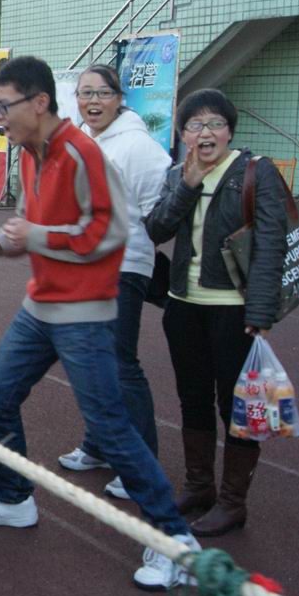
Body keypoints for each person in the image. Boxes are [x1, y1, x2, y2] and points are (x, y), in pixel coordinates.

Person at [0, 56, 198, 591]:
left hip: (85, 312)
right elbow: (34, 228)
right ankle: (14, 498)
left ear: (39, 102)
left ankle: (176, 541)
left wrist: (34, 238)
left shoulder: (82, 152)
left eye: (3, 106)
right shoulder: (28, 155)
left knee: (110, 426)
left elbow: (111, 234)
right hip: (40, 306)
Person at [144, 89, 289, 537]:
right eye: (194, 125)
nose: (205, 133)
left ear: (229, 130)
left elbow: (271, 245)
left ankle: (232, 503)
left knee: (236, 406)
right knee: (192, 398)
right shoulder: (178, 174)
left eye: (215, 124)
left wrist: (261, 312)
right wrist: (187, 186)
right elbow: (156, 229)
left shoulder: (256, 172)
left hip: (234, 311)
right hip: (183, 306)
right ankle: (199, 485)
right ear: (183, 134)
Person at [59, 65, 170, 500]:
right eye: (85, 93)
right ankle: (101, 444)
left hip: (123, 267)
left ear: (120, 98)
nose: (93, 101)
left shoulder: (138, 146)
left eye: (102, 93)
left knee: (121, 363)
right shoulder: (84, 141)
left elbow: (161, 212)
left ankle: (141, 464)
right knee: (93, 361)